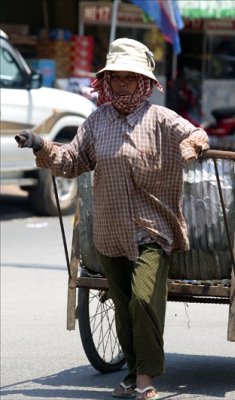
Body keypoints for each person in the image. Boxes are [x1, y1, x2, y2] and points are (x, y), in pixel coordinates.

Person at [15, 38, 209, 400]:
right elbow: (71, 161)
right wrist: (40, 145)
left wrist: (190, 147)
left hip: (154, 229)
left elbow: (196, 134)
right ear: (105, 82)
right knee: (122, 306)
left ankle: (147, 377)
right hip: (110, 231)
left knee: (142, 300)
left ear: (144, 83)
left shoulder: (160, 118)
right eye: (115, 78)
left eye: (129, 78)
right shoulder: (96, 122)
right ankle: (133, 372)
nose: (121, 85)